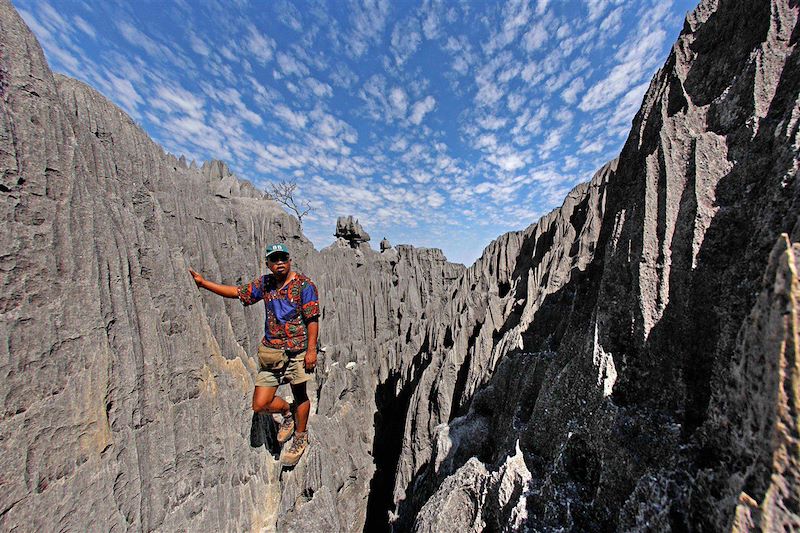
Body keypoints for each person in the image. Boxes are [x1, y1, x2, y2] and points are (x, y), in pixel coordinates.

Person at [189, 243, 319, 466]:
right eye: (274, 259)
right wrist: (203, 284)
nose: (279, 263)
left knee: (301, 395)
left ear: (289, 260)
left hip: (297, 351)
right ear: (268, 263)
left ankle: (300, 436)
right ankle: (287, 413)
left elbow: (312, 319)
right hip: (271, 352)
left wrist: (311, 350)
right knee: (260, 404)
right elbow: (238, 293)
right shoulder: (265, 284)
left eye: (283, 258)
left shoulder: (305, 285)